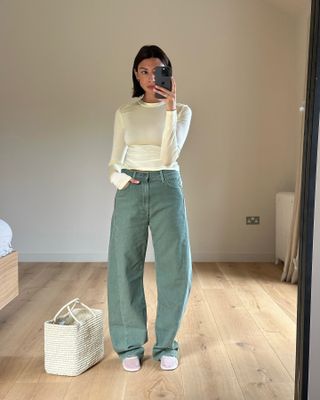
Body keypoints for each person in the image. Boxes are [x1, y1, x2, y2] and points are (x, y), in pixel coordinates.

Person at [107, 44, 192, 372]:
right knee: (123, 266)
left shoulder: (182, 111)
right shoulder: (125, 112)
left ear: (167, 73)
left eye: (156, 70)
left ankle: (167, 344)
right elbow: (114, 160)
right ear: (135, 74)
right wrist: (121, 181)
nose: (149, 77)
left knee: (175, 267)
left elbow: (169, 157)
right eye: (143, 71)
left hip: (167, 186)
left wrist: (169, 109)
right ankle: (129, 345)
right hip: (131, 188)